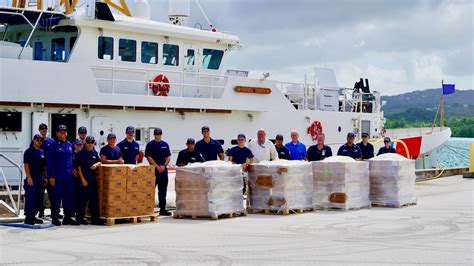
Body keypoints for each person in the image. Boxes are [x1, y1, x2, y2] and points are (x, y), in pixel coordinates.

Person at [47, 125, 79, 226]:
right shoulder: (53, 145)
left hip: (68, 176)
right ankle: (55, 217)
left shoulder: (69, 144)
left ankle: (68, 217)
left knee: (68, 197)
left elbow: (70, 159)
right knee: (56, 197)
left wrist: (73, 170)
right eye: (61, 132)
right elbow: (49, 162)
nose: (63, 133)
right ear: (57, 133)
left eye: (64, 132)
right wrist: (51, 176)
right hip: (57, 176)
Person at [75, 136, 104, 225]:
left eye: (92, 143)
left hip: (92, 180)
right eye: (88, 143)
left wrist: (96, 164)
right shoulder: (81, 153)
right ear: (85, 143)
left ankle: (95, 219)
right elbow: (78, 167)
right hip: (83, 180)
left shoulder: (94, 152)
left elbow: (100, 161)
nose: (90, 144)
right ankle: (79, 218)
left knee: (94, 201)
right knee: (82, 201)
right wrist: (82, 179)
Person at [145, 128, 172, 216]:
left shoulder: (165, 144)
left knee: (163, 191)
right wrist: (157, 166)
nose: (158, 135)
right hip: (153, 171)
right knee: (151, 190)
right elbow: (148, 157)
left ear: (161, 134)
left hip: (163, 171)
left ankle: (163, 209)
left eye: (159, 134)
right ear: (154, 134)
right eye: (156, 134)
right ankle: (149, 209)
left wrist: (164, 165)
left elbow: (168, 156)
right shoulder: (150, 144)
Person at [23, 134, 46, 225]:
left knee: (38, 198)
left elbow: (44, 166)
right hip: (32, 178)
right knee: (30, 197)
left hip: (40, 178)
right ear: (33, 140)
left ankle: (34, 216)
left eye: (41, 140)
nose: (39, 142)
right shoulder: (28, 152)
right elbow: (26, 165)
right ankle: (28, 217)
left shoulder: (42, 151)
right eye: (37, 140)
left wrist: (45, 177)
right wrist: (29, 177)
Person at [37, 123, 54, 218]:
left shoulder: (51, 141)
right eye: (42, 129)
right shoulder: (36, 140)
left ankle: (54, 212)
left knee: (53, 193)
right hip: (40, 170)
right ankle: (41, 211)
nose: (44, 130)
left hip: (50, 170)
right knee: (40, 193)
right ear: (39, 130)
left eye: (45, 129)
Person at [72, 139, 83, 217]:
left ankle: (79, 211)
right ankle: (72, 210)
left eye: (80, 145)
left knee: (80, 195)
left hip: (81, 177)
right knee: (73, 194)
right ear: (74, 145)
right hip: (73, 177)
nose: (78, 147)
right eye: (77, 145)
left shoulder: (83, 154)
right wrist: (72, 170)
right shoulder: (72, 154)